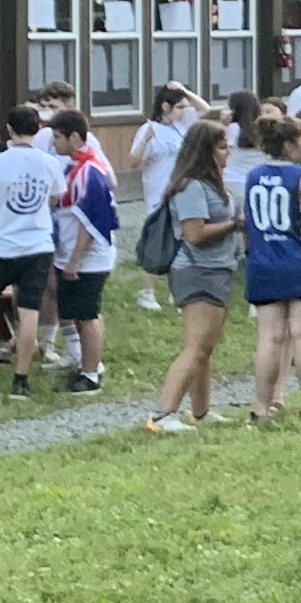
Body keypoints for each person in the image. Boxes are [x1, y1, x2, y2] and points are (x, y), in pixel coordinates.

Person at [235, 108, 301, 423]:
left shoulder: (253, 176)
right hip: (300, 261)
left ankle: (262, 408)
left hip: (265, 263)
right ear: (289, 146)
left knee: (269, 338)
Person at [144, 118, 243, 433]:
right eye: (223, 146)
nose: (230, 151)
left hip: (217, 268)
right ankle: (162, 414)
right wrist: (235, 224)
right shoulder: (191, 187)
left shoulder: (213, 185)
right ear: (207, 151)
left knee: (206, 347)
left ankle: (201, 411)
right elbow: (195, 233)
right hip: (197, 270)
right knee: (196, 346)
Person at [0, 102, 70, 401]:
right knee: (29, 310)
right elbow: (54, 199)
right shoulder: (50, 163)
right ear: (38, 129)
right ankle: (21, 379)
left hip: (1, 245)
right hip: (38, 245)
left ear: (8, 129)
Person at [49, 104, 120, 392]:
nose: (53, 143)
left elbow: (89, 225)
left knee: (88, 314)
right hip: (72, 254)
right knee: (78, 312)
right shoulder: (73, 167)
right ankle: (88, 363)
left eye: (57, 137)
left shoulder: (90, 173)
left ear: (75, 137)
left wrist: (74, 261)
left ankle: (91, 375)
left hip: (88, 258)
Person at [128, 82, 199, 312]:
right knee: (157, 242)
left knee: (181, 243)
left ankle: (175, 290)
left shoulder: (182, 126)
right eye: (179, 106)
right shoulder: (149, 129)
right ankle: (146, 292)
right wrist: (146, 139)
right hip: (158, 193)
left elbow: (205, 110)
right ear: (165, 106)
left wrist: (185, 92)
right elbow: (133, 161)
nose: (184, 111)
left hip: (180, 191)